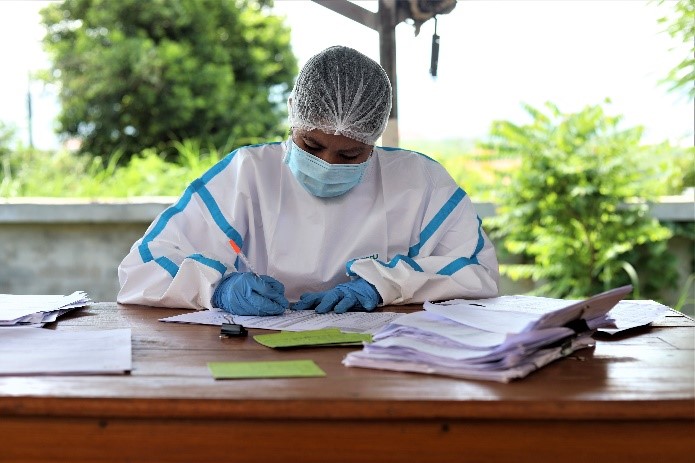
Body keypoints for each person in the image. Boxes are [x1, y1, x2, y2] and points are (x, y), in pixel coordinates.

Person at [117, 45, 499, 315]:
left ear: (374, 140)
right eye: (311, 145)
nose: (327, 164)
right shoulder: (247, 174)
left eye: (349, 155)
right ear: (293, 120)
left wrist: (388, 284)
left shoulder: (420, 183)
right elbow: (142, 270)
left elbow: (476, 270)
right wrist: (217, 288)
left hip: (380, 361)